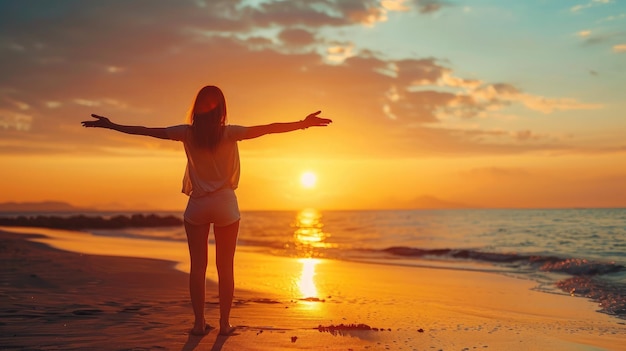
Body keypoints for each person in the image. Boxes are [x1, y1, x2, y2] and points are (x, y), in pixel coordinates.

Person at [81, 85, 332, 336]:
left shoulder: (186, 133)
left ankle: (199, 324)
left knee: (198, 267)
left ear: (197, 108)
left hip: (198, 205)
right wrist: (303, 123)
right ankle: (224, 325)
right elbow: (269, 128)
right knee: (226, 268)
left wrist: (112, 125)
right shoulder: (230, 133)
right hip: (225, 204)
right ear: (222, 109)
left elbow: (146, 131)